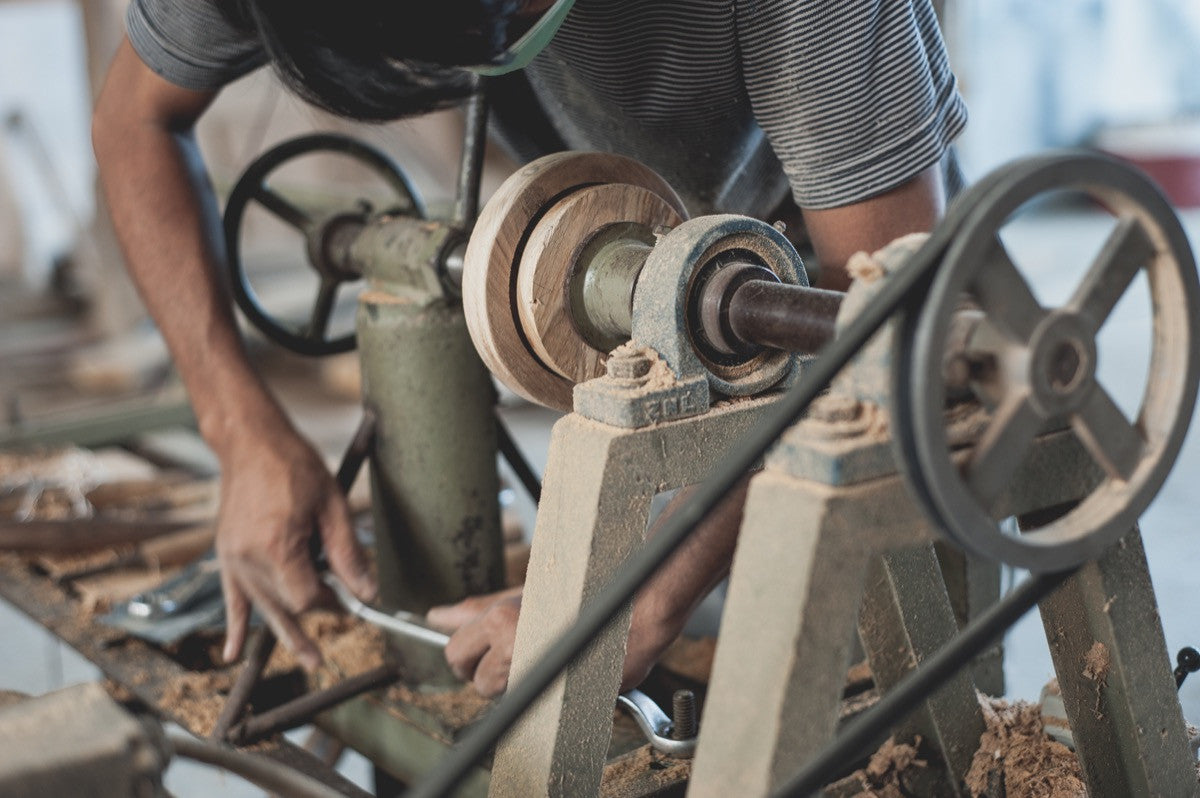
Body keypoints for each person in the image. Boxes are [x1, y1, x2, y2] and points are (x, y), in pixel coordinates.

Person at [93, 0, 964, 688]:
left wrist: (633, 602)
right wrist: (236, 428)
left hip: (830, 282)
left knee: (865, 680)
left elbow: (877, 330)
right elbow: (134, 120)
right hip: (643, 250)